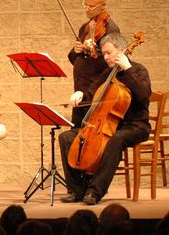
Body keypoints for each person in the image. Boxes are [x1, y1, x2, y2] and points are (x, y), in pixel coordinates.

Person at [59, 32, 151, 205]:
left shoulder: (138, 70)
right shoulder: (108, 73)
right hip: (107, 126)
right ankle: (77, 190)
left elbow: (144, 95)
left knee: (115, 140)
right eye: (104, 53)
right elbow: (92, 93)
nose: (106, 57)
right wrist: (80, 94)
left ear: (122, 50)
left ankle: (94, 191)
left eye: (109, 52)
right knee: (66, 137)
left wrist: (128, 70)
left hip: (135, 126)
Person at [67, 0, 120, 126]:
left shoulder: (110, 29)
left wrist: (94, 50)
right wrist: (77, 50)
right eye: (85, 4)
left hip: (96, 92)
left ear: (103, 6)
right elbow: (76, 60)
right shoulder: (85, 27)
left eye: (91, 6)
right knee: (76, 133)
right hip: (80, 90)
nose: (87, 9)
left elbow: (113, 62)